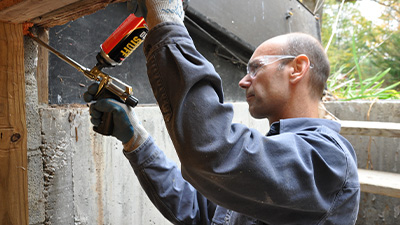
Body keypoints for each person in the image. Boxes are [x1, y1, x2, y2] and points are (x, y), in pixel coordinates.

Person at [84, 0, 360, 224]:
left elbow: (216, 150)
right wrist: (136, 138)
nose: (243, 80)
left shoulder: (328, 159)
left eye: (256, 67)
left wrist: (168, 24)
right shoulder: (278, 153)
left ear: (297, 68)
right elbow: (197, 210)